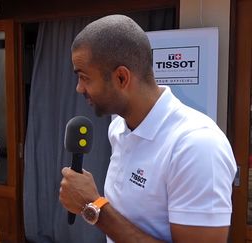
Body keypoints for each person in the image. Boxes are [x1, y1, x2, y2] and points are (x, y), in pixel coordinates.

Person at [59, 14, 237, 243]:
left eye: (85, 78)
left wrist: (93, 207)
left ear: (121, 77)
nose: (78, 88)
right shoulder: (118, 129)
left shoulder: (197, 145)